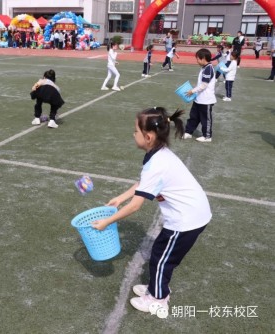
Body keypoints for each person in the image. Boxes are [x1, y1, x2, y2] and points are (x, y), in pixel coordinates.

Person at [92, 106, 211, 314]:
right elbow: (144, 183)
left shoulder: (157, 163)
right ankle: (156, 288)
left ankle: (158, 298)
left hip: (187, 220)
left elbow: (136, 206)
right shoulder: (158, 154)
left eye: (136, 131)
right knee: (160, 254)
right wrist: (120, 198)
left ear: (147, 137)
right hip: (191, 215)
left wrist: (107, 222)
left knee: (162, 259)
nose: (133, 134)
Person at [183, 48, 217, 143]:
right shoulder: (204, 68)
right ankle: (188, 132)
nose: (196, 61)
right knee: (193, 117)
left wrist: (192, 91)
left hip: (206, 101)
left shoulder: (208, 69)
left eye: (197, 59)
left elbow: (204, 85)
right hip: (198, 99)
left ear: (203, 58)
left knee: (205, 119)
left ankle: (207, 136)